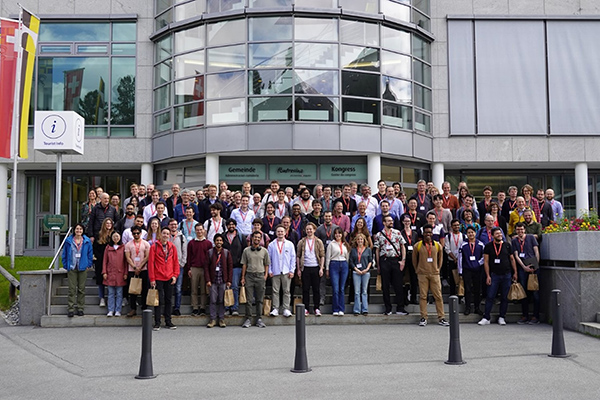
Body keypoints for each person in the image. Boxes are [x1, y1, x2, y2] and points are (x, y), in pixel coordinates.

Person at [478, 227, 518, 326]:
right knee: (490, 296)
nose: (499, 235)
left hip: (507, 275)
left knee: (505, 297)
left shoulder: (507, 245)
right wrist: (488, 275)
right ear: (492, 236)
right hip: (494, 275)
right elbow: (486, 262)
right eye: (497, 234)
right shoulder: (488, 246)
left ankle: (502, 317)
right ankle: (486, 317)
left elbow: (512, 259)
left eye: (500, 233)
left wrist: (515, 272)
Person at [413, 224, 448, 327]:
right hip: (422, 274)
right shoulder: (417, 245)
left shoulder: (437, 245)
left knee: (438, 296)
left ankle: (441, 317)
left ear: (432, 234)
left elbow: (440, 259)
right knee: (423, 296)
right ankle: (423, 317)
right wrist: (418, 270)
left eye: (430, 232)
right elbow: (414, 260)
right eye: (426, 232)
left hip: (434, 273)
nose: (428, 234)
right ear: (423, 233)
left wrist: (437, 269)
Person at [374, 215, 408, 316]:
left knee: (398, 285)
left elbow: (403, 246)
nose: (391, 222)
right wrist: (378, 264)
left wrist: (403, 260)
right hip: (384, 260)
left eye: (391, 221)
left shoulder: (397, 232)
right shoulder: (379, 234)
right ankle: (388, 308)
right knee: (385, 286)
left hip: (395, 260)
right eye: (388, 221)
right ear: (384, 223)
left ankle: (400, 308)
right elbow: (377, 249)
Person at [148, 227, 180, 331]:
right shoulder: (154, 247)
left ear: (169, 236)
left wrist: (175, 275)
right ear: (160, 234)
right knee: (159, 300)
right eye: (164, 233)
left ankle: (168, 321)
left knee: (168, 300)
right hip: (158, 277)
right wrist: (152, 278)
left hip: (169, 277)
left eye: (167, 234)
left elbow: (176, 262)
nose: (165, 235)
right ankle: (157, 322)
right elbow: (151, 263)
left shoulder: (172, 247)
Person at [62, 223, 93, 317]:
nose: (78, 231)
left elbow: (90, 254)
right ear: (74, 230)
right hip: (72, 266)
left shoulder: (87, 241)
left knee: (81, 289)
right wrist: (65, 265)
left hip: (83, 267)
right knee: (71, 289)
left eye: (80, 229)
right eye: (77, 229)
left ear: (83, 230)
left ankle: (80, 308)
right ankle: (70, 308)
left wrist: (89, 264)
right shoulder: (68, 241)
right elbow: (64, 254)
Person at [241, 231, 271, 328]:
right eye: (255, 237)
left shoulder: (264, 251)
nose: (257, 239)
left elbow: (266, 264)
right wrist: (243, 277)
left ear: (261, 239)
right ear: (252, 238)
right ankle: (248, 319)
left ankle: (259, 318)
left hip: (260, 276)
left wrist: (265, 275)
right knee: (249, 299)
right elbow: (244, 264)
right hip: (249, 276)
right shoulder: (246, 251)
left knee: (259, 299)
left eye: (259, 237)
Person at [512, 222, 541, 324]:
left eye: (522, 229)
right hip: (522, 268)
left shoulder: (531, 238)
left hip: (534, 268)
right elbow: (516, 255)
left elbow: (536, 251)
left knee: (535, 293)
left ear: (525, 230)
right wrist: (524, 267)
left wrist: (535, 265)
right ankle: (525, 315)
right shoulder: (514, 241)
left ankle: (535, 316)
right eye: (518, 230)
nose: (520, 231)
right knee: (523, 293)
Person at [296, 223, 325, 316]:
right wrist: (299, 269)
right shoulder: (302, 242)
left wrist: (321, 268)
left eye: (311, 229)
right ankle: (306, 308)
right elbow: (298, 256)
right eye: (307, 229)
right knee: (305, 289)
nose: (309, 231)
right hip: (306, 267)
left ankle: (317, 308)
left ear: (314, 230)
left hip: (316, 267)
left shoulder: (318, 241)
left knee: (316, 289)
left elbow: (322, 255)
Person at [205, 233, 233, 328]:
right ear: (214, 242)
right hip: (213, 280)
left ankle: (221, 319)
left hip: (223, 280)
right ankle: (212, 319)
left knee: (221, 300)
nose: (219, 242)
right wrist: (208, 280)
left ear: (223, 242)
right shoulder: (209, 252)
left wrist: (229, 280)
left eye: (220, 240)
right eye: (217, 240)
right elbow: (206, 267)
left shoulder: (226, 252)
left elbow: (230, 267)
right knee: (212, 300)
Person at [267, 225, 296, 317]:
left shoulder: (289, 244)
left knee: (286, 291)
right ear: (276, 233)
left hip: (286, 271)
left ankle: (286, 309)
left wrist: (292, 270)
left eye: (282, 231)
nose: (280, 233)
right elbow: (269, 259)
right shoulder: (271, 245)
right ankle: (275, 308)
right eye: (278, 231)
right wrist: (270, 270)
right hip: (275, 271)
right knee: (275, 291)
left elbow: (293, 258)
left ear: (285, 233)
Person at [186, 224, 213, 316]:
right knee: (194, 289)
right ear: (195, 231)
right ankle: (195, 307)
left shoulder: (208, 243)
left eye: (201, 230)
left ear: (204, 230)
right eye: (197, 230)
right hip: (194, 268)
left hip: (204, 269)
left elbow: (210, 258)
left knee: (203, 289)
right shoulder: (191, 243)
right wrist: (189, 268)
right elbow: (189, 257)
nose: (199, 232)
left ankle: (202, 307)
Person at [124, 225, 150, 317]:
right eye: (134, 233)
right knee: (132, 290)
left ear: (141, 233)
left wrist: (140, 266)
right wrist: (135, 267)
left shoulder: (146, 244)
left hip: (143, 269)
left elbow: (147, 256)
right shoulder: (128, 244)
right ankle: (133, 308)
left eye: (137, 233)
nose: (136, 235)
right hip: (132, 269)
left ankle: (144, 307)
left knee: (144, 289)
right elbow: (127, 257)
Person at [458, 226, 484, 316]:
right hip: (467, 269)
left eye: (472, 232)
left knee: (477, 289)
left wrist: (478, 263)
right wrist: (460, 271)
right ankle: (467, 307)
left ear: (475, 233)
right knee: (467, 289)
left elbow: (484, 257)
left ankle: (477, 307)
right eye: (468, 233)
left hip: (477, 269)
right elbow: (460, 259)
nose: (470, 234)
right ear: (466, 234)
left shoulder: (480, 244)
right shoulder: (463, 245)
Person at [325, 227, 350, 316]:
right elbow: (328, 257)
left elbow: (347, 257)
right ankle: (335, 308)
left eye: (339, 233)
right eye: (336, 233)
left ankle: (341, 309)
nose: (338, 235)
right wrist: (327, 268)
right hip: (334, 264)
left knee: (342, 288)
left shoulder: (345, 244)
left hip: (343, 264)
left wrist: (346, 265)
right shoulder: (331, 244)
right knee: (335, 288)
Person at [102, 231, 128, 317]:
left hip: (120, 273)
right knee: (111, 293)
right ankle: (110, 310)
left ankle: (118, 310)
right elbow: (105, 261)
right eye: (114, 237)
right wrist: (104, 272)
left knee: (119, 293)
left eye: (117, 236)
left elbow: (125, 262)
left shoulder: (123, 247)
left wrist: (125, 273)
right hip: (110, 273)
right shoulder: (108, 248)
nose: (116, 238)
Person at [349, 233, 372, 316]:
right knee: (357, 291)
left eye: (361, 239)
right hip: (356, 272)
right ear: (356, 241)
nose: (360, 241)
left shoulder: (368, 249)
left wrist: (367, 269)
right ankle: (357, 310)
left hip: (366, 272)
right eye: (358, 239)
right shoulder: (353, 250)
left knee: (364, 291)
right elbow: (351, 261)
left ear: (364, 240)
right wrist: (356, 269)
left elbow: (370, 260)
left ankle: (365, 309)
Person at [167, 219, 187, 316]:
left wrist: (182, 263)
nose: (173, 226)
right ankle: (168, 307)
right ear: (169, 225)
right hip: (168, 266)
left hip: (179, 266)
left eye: (175, 224)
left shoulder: (181, 237)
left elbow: (184, 251)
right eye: (171, 224)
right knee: (169, 288)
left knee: (178, 288)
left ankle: (177, 307)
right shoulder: (166, 236)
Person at [93, 218, 114, 307]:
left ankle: (110, 298)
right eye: (107, 223)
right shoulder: (99, 235)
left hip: (112, 261)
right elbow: (95, 247)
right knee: (101, 280)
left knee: (110, 280)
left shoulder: (114, 234)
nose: (108, 225)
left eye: (110, 223)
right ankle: (101, 298)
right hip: (100, 260)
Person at [400, 214, 420, 305]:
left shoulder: (415, 233)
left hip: (414, 257)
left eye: (408, 221)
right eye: (405, 221)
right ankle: (404, 298)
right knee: (404, 278)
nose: (407, 223)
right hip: (404, 256)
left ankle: (414, 297)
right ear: (403, 222)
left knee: (414, 278)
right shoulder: (401, 233)